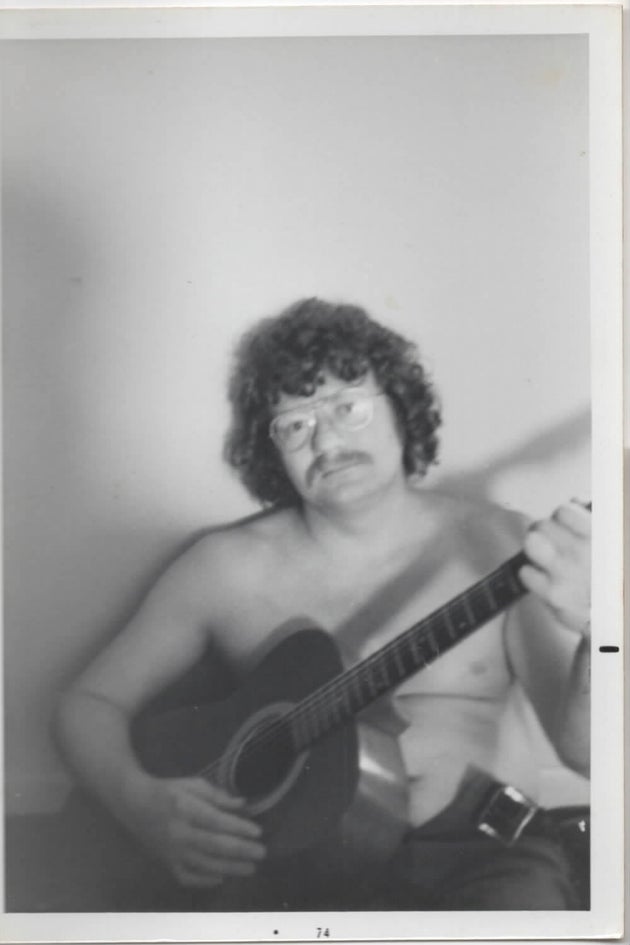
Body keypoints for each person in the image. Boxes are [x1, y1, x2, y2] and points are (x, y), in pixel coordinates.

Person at [55, 298, 591, 911]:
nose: (329, 439)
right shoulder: (225, 567)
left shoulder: (502, 545)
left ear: (401, 409)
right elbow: (86, 703)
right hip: (287, 869)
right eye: (295, 424)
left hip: (478, 860)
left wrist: (597, 630)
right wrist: (137, 802)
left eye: (348, 407)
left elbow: (587, 756)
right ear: (271, 449)